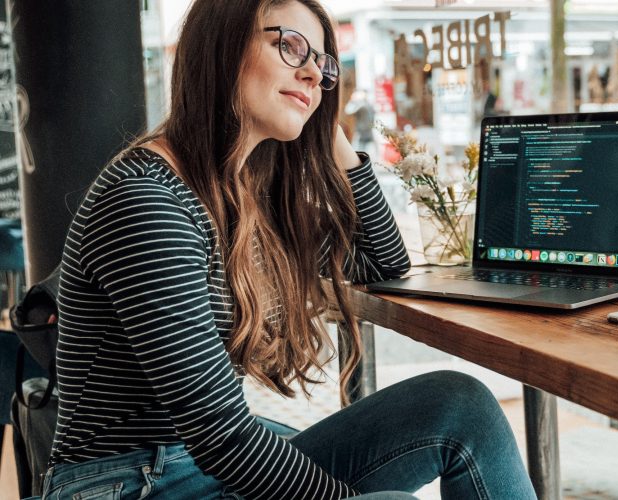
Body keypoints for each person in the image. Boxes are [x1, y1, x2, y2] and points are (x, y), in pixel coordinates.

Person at [40, 0, 537, 499]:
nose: (312, 75)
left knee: (459, 405)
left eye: (323, 66)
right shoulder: (147, 197)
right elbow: (224, 438)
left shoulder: (240, 196)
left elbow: (383, 264)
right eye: (290, 46)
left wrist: (331, 141)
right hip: (130, 482)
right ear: (224, 44)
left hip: (199, 466)